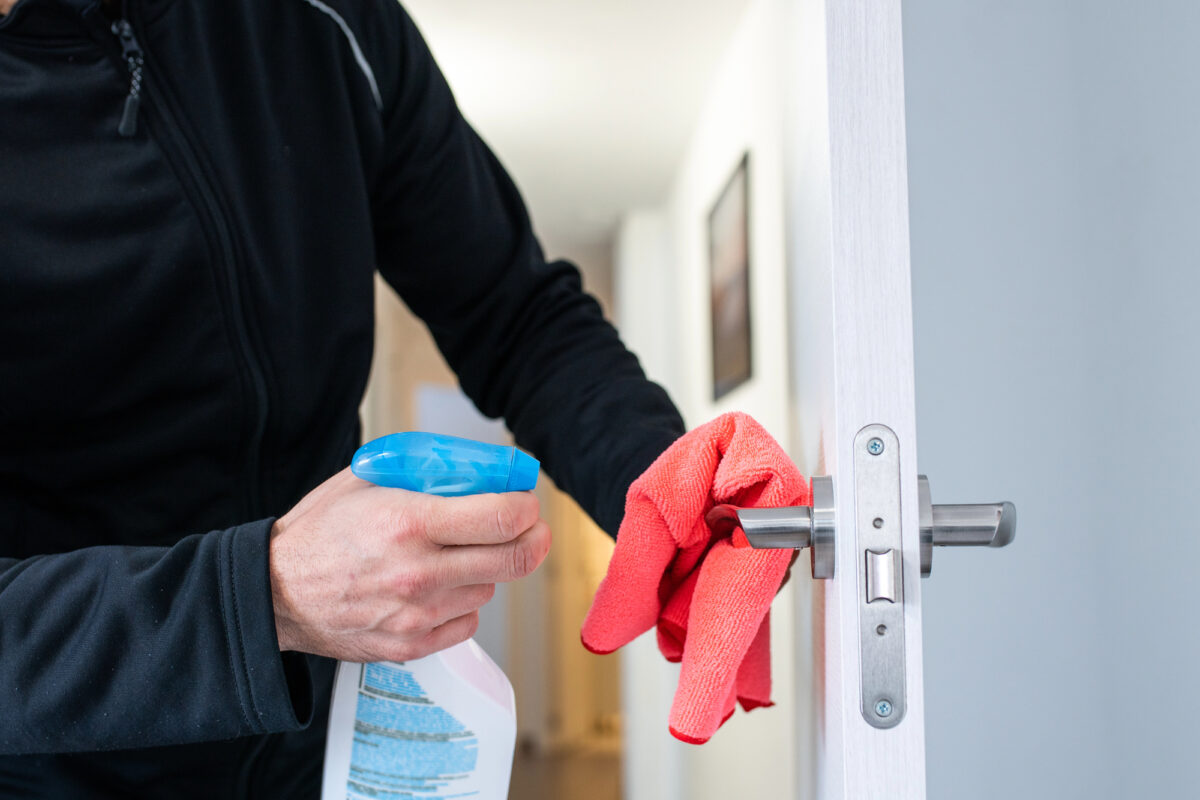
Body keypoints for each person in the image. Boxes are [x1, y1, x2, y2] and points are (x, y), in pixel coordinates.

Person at [0, 0, 691, 796]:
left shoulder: (325, 21)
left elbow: (516, 312)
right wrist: (263, 599)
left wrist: (661, 480)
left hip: (325, 754)